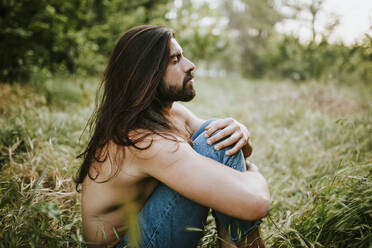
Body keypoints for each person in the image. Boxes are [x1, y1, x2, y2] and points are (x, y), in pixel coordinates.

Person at [75, 25, 270, 248]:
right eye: (175, 60)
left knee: (216, 132)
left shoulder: (169, 113)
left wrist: (241, 131)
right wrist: (255, 176)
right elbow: (257, 203)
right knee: (217, 146)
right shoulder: (144, 140)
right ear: (147, 75)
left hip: (147, 227)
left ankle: (233, 242)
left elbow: (234, 150)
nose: (190, 65)